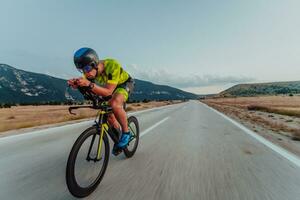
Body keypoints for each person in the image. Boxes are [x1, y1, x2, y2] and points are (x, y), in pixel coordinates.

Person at [68, 47, 134, 155]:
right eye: (82, 70)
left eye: (88, 68)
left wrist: (88, 84)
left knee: (114, 104)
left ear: (95, 63)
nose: (86, 73)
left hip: (124, 84)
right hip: (109, 87)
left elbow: (108, 92)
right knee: (109, 114)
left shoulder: (112, 65)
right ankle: (118, 138)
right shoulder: (88, 73)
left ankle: (126, 133)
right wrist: (78, 85)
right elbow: (93, 90)